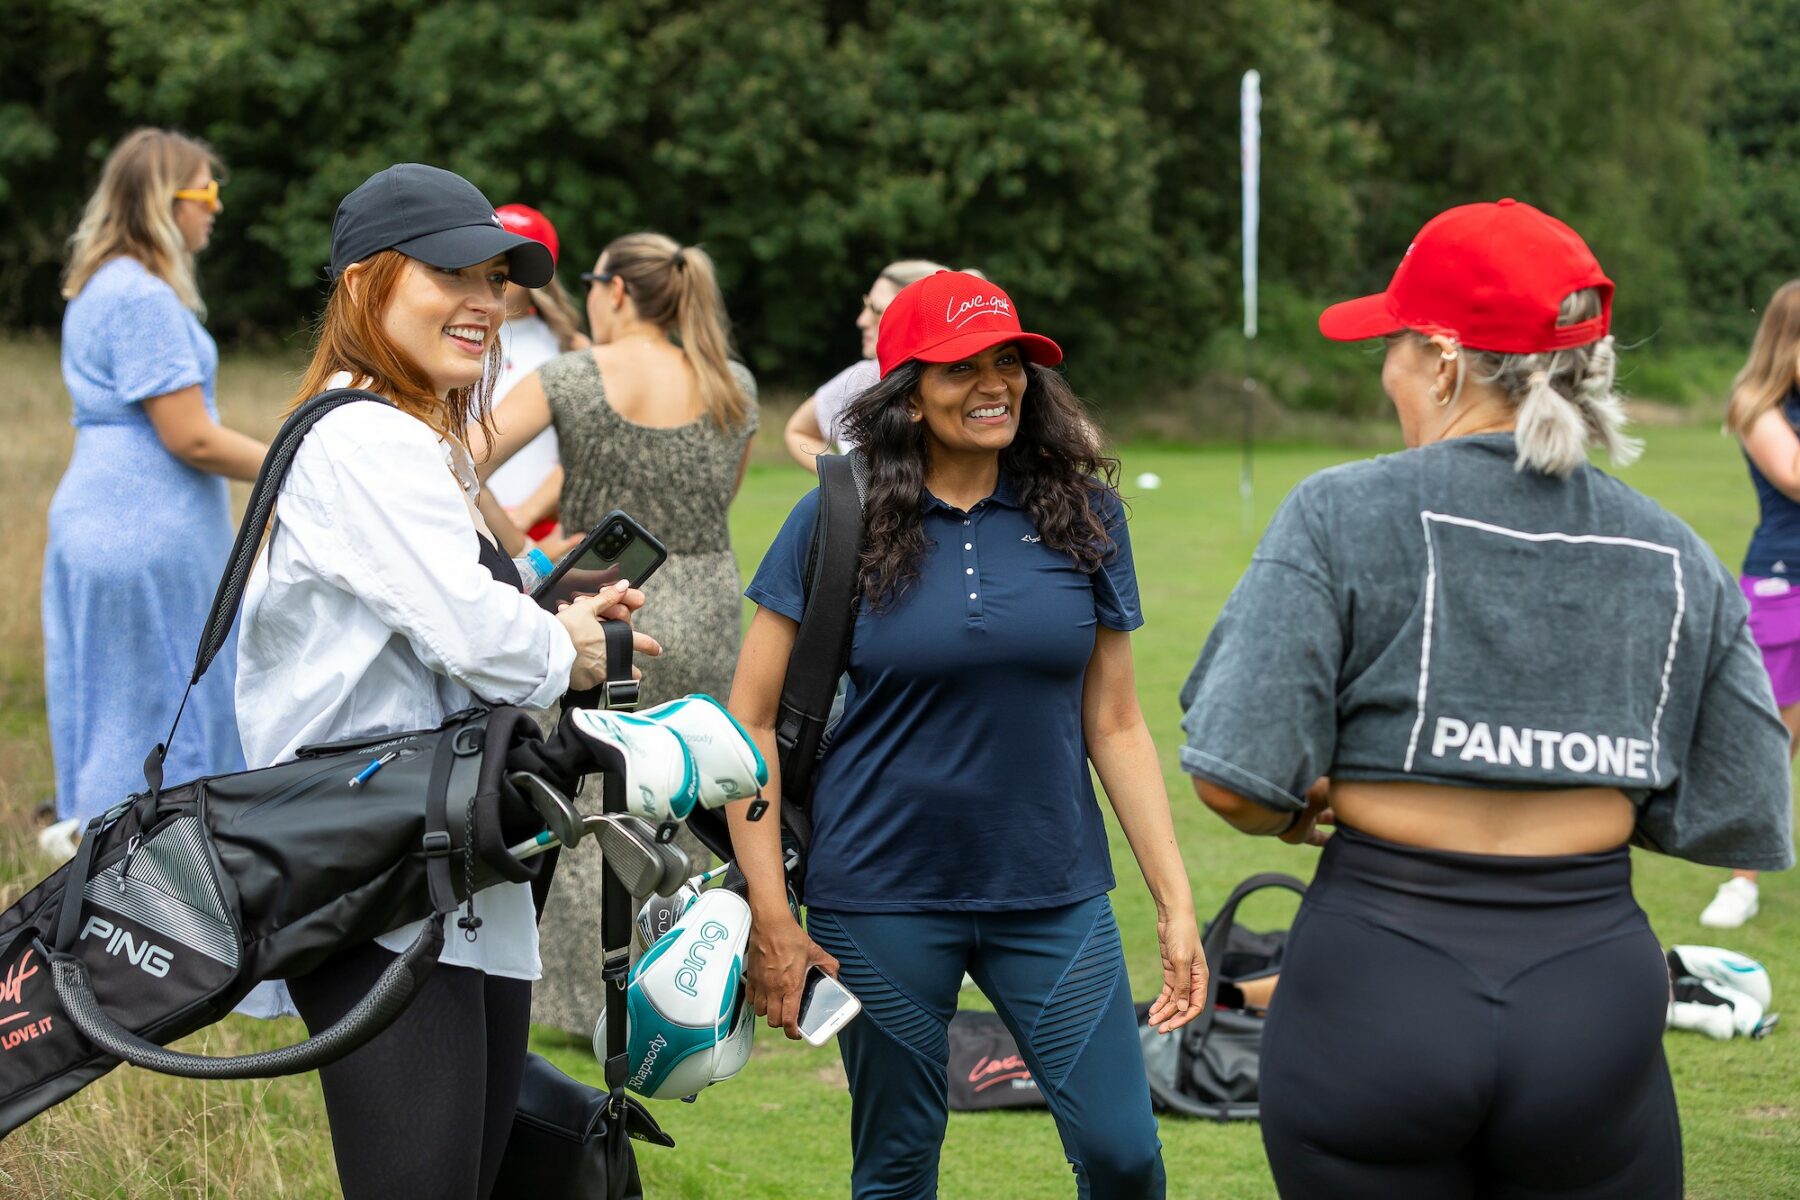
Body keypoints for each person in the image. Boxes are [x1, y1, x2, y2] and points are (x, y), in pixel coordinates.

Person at [1178, 199, 1794, 1199]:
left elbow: (1232, 780)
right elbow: (1738, 808)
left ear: (1443, 359)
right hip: (1590, 996)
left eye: (1392, 348)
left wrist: (1306, 804)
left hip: (1375, 982)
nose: (1386, 375)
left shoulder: (1339, 512)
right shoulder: (1672, 550)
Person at [727, 270, 1205, 1198]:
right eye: (960, 370)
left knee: (1124, 1154)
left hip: (1053, 890)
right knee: (898, 1167)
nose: (995, 386)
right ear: (906, 392)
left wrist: (1175, 900)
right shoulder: (837, 514)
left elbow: (1115, 723)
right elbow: (747, 724)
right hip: (880, 896)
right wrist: (776, 922)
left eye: (1010, 364)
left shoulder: (1086, 514)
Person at [234, 163, 658, 1199]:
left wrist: (556, 616)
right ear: (364, 283)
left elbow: (468, 617)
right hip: (375, 872)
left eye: (496, 278)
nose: (485, 302)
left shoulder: (413, 438)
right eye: (450, 273)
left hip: (455, 862)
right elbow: (481, 637)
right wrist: (569, 646)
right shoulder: (362, 437)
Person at [471, 230, 759, 1036]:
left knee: (585, 789)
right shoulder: (732, 382)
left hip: (606, 603)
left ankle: (571, 998)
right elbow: (723, 497)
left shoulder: (571, 376)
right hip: (706, 601)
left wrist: (524, 553)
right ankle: (683, 983)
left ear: (616, 291)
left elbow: (458, 459)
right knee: (684, 790)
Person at [41, 128, 266, 847]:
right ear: (164, 201)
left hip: (107, 519)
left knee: (114, 701)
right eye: (206, 192)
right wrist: (294, 458)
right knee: (163, 706)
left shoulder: (103, 286)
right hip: (140, 527)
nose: (216, 209)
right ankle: (149, 898)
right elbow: (190, 436)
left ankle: (108, 889)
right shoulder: (140, 298)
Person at [1706, 279, 1800, 928]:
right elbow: (1795, 476)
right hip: (1783, 584)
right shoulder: (1757, 402)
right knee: (1776, 740)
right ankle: (1741, 881)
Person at [483, 203, 588, 542]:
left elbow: (583, 453)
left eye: (511, 258)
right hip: (461, 514)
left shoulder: (570, 347)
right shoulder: (453, 335)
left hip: (538, 527)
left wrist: (524, 517)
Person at [783, 259, 950, 472]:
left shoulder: (960, 383)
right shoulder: (861, 378)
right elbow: (799, 431)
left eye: (876, 310)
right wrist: (845, 483)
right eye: (865, 306)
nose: (862, 320)